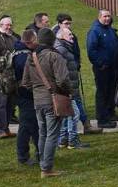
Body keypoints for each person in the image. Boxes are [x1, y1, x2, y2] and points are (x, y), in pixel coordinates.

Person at [24, 27, 73, 177]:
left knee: (43, 133)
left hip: (38, 101)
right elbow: (63, 80)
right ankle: (46, 168)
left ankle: (42, 163)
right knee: (52, 134)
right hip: (53, 100)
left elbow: (25, 82)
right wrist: (67, 91)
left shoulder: (31, 56)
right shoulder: (54, 56)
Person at [55, 14, 99, 135]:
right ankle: (81, 127)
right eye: (66, 23)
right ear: (59, 24)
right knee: (72, 106)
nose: (69, 26)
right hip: (66, 80)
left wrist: (77, 63)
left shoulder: (70, 36)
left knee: (77, 101)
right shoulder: (58, 40)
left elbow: (76, 51)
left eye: (70, 23)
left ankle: (83, 125)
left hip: (73, 73)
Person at [54, 26, 90, 149]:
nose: (72, 38)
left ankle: (63, 140)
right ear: (61, 36)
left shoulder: (64, 49)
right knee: (74, 114)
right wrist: (67, 90)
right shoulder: (62, 51)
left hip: (68, 89)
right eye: (69, 35)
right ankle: (72, 140)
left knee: (66, 115)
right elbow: (62, 73)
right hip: (67, 90)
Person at [87, 10, 118, 128]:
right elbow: (91, 50)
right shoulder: (95, 31)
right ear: (99, 17)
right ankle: (102, 119)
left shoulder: (109, 30)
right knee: (102, 93)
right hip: (102, 68)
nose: (107, 18)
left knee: (111, 91)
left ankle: (110, 113)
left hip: (112, 66)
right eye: (105, 16)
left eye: (109, 16)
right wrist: (100, 63)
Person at [14, 30, 40, 165]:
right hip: (26, 95)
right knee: (27, 125)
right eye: (36, 39)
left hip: (21, 94)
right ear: (30, 41)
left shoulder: (17, 52)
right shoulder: (25, 57)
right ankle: (23, 156)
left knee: (31, 124)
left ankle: (38, 152)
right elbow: (28, 78)